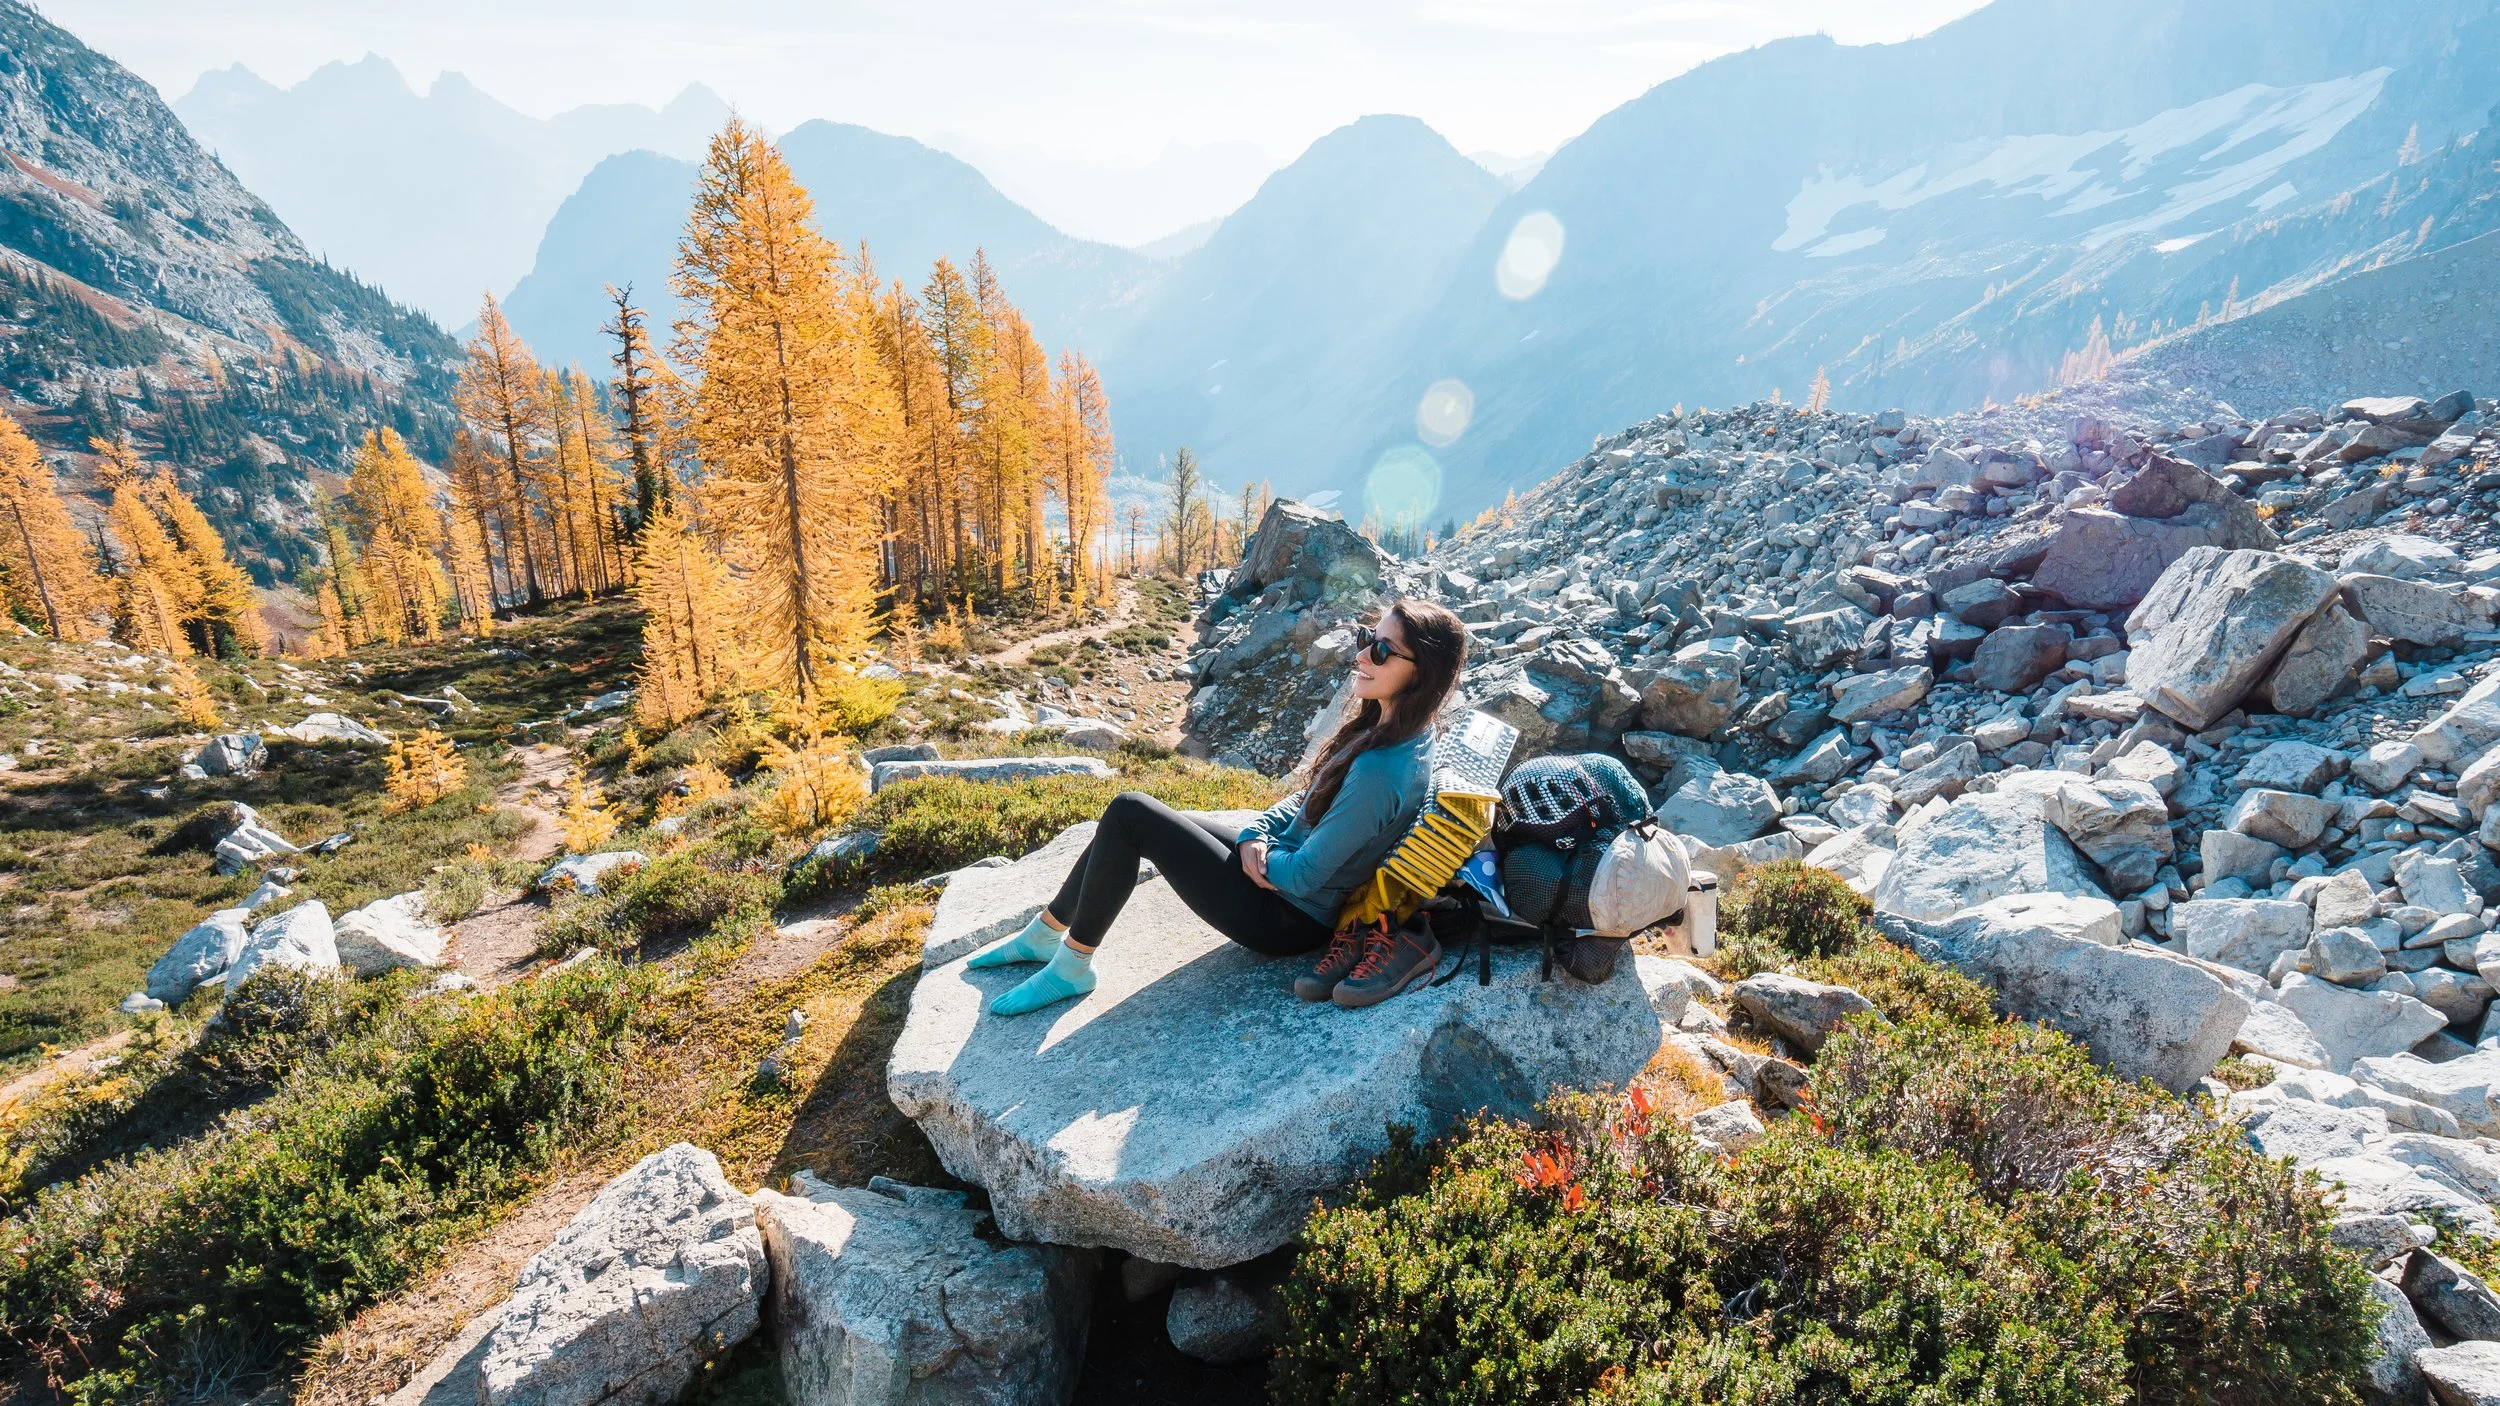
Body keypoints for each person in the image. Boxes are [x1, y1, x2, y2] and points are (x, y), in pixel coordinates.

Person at [970, 597, 1468, 1016]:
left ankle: (1072, 966)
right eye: (1366, 637)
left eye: (1381, 650)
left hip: (1287, 916)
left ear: (1420, 674)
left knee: (1130, 813)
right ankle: (1045, 933)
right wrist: (1255, 836)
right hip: (1282, 870)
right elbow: (1307, 798)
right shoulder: (1391, 725)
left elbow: (1306, 877)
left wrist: (1264, 860)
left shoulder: (1385, 769)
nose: (1362, 654)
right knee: (1136, 823)